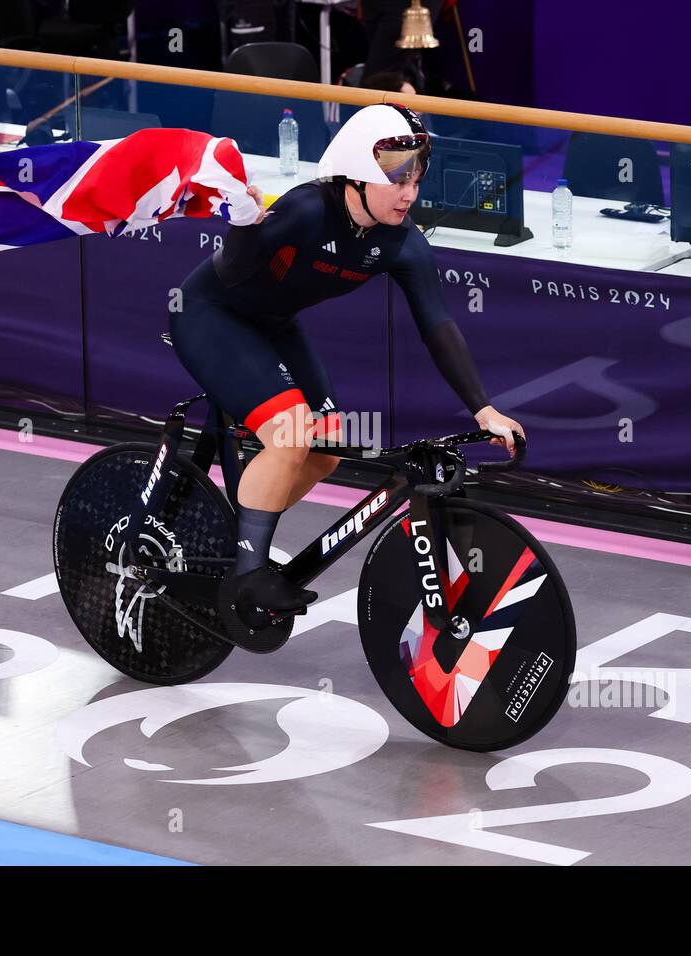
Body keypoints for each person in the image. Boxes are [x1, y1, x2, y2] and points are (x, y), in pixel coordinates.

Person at [170, 104, 522, 634]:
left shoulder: (402, 242)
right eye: (398, 180)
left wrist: (485, 408)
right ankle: (248, 578)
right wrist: (243, 223)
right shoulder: (307, 211)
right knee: (291, 435)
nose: (410, 195)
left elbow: (438, 325)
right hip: (210, 316)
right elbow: (234, 270)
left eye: (417, 181)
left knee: (327, 449)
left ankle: (236, 533)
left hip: (273, 324)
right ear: (357, 175)